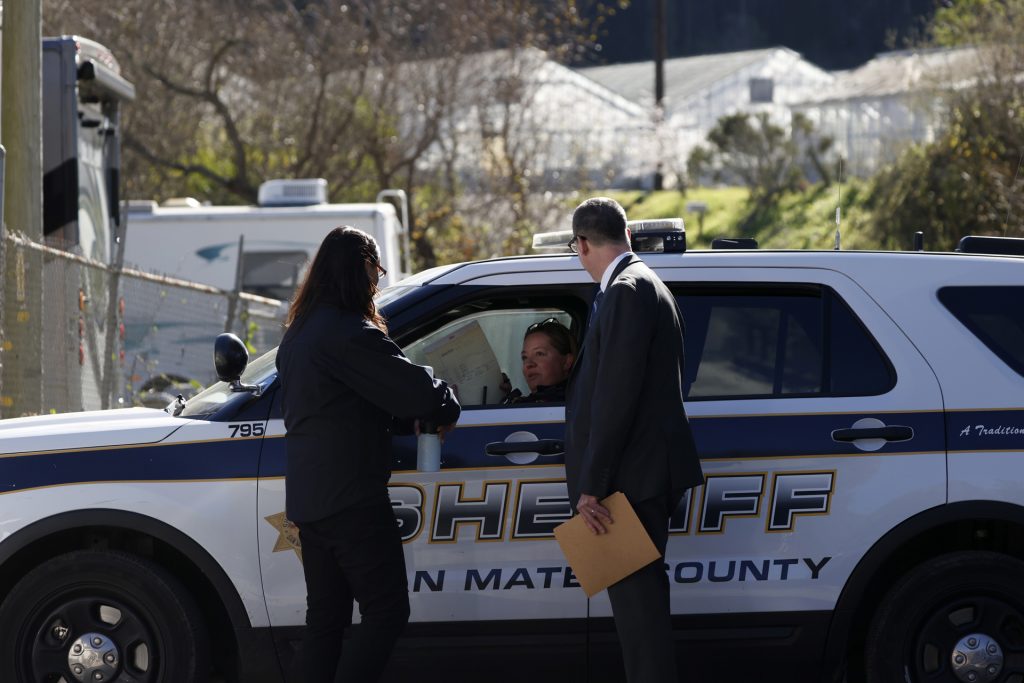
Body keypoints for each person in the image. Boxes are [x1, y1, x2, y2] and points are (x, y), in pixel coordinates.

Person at [275, 226, 460, 683]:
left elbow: (343, 404)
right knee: (386, 611)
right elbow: (422, 395)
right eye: (377, 270)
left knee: (326, 620)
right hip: (352, 500)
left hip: (310, 501)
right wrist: (445, 401)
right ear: (361, 268)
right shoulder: (348, 332)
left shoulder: (300, 332)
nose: (377, 282)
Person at [563, 197, 704, 683]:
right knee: (640, 613)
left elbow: (615, 396)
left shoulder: (625, 290)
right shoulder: (642, 283)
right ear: (625, 234)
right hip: (639, 473)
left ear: (582, 244)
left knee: (640, 619)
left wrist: (593, 485)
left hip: (629, 482)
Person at [501, 318, 577, 404]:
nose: (528, 364)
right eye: (524, 357)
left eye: (539, 354)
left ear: (567, 362)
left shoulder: (576, 403)